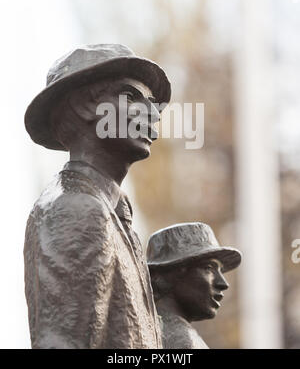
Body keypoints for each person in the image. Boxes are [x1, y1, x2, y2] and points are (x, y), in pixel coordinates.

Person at [24, 43, 171, 349]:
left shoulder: (110, 212)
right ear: (83, 105)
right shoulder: (76, 208)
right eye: (131, 96)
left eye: (153, 104)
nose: (152, 115)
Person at [147, 222, 242, 349]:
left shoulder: (152, 330)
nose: (223, 283)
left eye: (220, 271)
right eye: (208, 268)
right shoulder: (183, 340)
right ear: (171, 273)